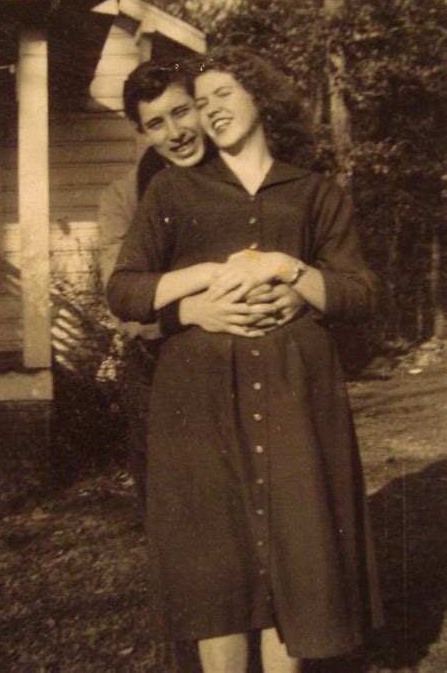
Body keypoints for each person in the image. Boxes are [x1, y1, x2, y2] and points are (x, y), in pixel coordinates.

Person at [107, 47, 383, 673]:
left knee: (294, 553)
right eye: (201, 103)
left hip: (293, 392)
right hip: (199, 401)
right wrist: (199, 283)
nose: (208, 111)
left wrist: (290, 270)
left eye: (221, 96)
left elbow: (358, 293)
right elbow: (123, 289)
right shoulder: (173, 191)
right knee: (218, 569)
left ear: (261, 98)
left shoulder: (314, 192)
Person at [99, 60, 305, 505]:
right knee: (176, 504)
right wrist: (189, 311)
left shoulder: (248, 172)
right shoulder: (123, 198)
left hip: (247, 353)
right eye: (155, 123)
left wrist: (294, 293)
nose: (175, 134)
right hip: (158, 364)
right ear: (142, 132)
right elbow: (124, 299)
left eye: (182, 112)